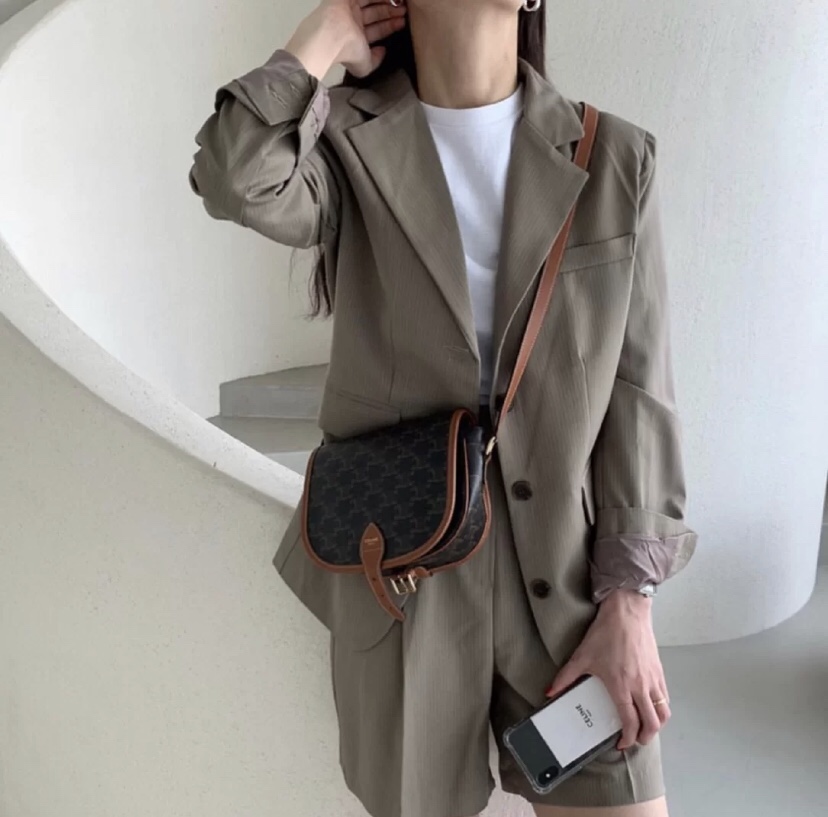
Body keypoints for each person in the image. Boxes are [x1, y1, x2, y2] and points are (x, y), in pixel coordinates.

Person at [189, 1, 698, 816]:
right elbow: (234, 176)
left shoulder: (614, 158)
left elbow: (640, 399)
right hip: (405, 584)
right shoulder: (345, 144)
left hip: (569, 594)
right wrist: (325, 35)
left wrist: (630, 602)